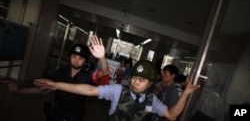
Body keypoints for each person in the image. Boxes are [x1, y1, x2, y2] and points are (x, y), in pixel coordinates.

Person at [34, 60, 200, 121]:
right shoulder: (119, 90)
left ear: (150, 83)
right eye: (134, 77)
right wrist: (57, 85)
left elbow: (171, 115)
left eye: (141, 80)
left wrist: (185, 94)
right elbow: (89, 90)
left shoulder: (152, 101)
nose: (135, 82)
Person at [1, 35, 109, 121]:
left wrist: (102, 58)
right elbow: (40, 89)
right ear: (69, 57)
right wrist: (19, 90)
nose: (76, 60)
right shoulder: (60, 73)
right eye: (74, 56)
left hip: (74, 117)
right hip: (56, 114)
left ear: (85, 61)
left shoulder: (88, 75)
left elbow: (104, 72)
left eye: (81, 58)